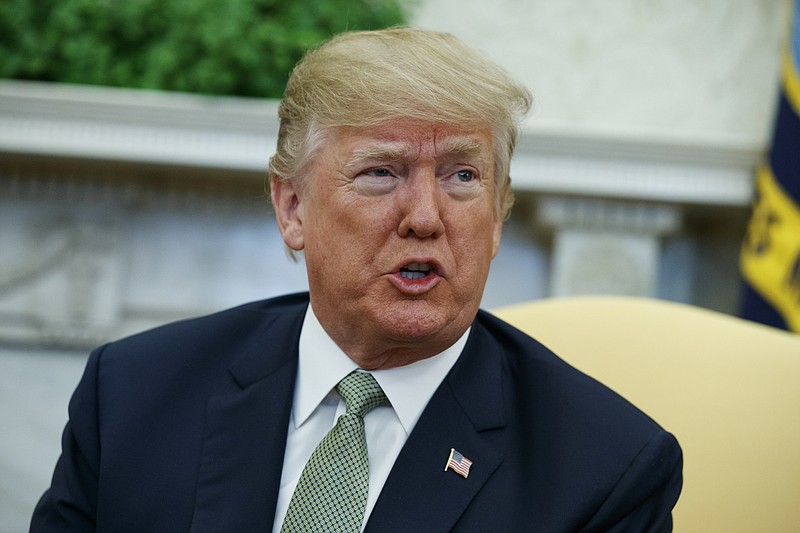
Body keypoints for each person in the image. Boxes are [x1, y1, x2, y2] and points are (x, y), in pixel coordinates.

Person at [30, 27, 682, 532]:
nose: (426, 217)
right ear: (292, 208)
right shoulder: (134, 395)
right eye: (381, 173)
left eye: (462, 175)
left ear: (498, 215)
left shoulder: (605, 470)